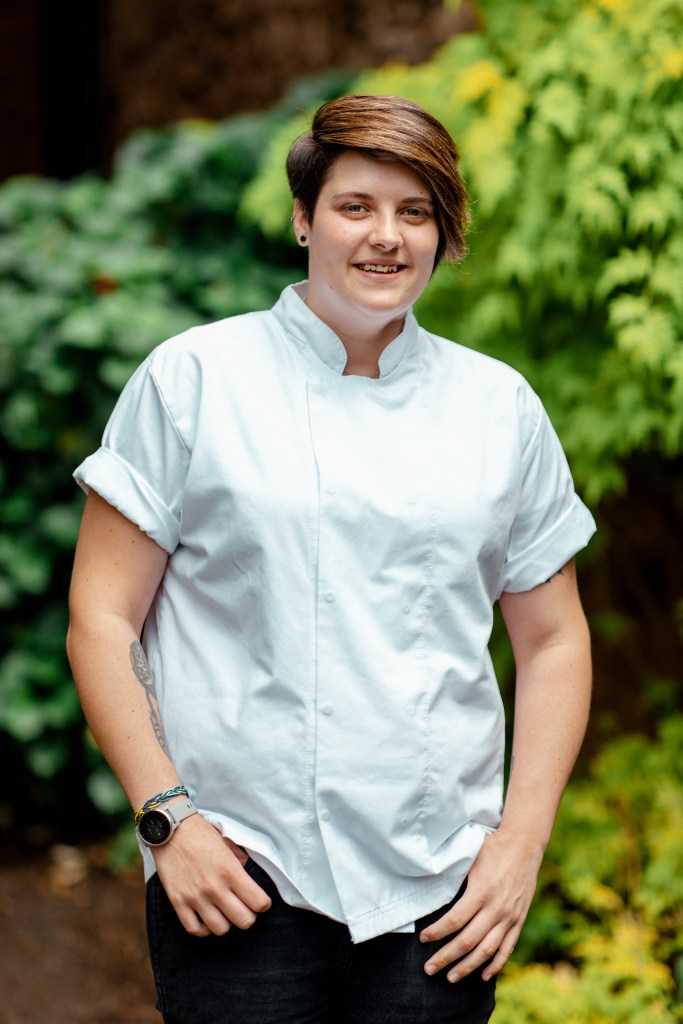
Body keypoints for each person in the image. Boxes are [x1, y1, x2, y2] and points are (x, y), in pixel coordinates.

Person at [67, 94, 595, 1024]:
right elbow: (101, 619)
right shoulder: (194, 380)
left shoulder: (498, 407)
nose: (386, 236)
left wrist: (518, 848)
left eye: (415, 212)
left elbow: (553, 640)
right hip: (236, 877)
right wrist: (168, 822)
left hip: (439, 895)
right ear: (303, 218)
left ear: (443, 234)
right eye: (356, 206)